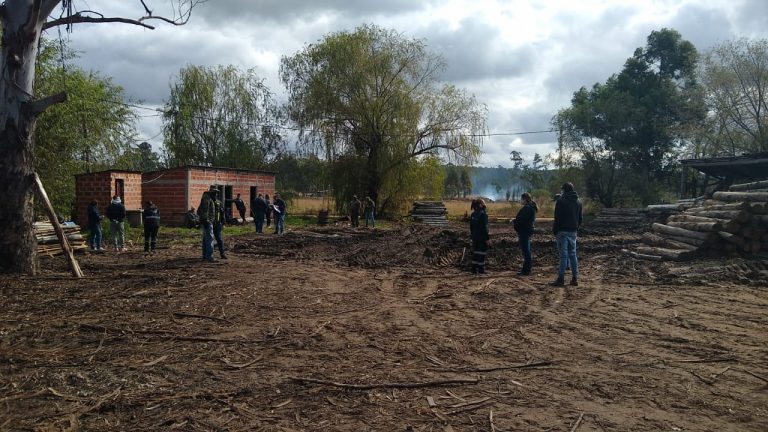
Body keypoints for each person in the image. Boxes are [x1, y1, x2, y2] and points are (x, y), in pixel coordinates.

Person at [551, 182, 582, 286]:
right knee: (573, 255)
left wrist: (555, 230)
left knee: (563, 256)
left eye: (562, 189)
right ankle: (574, 279)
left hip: (562, 232)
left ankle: (560, 279)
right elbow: (580, 218)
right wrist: (576, 228)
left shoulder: (561, 201)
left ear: (564, 190)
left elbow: (557, 218)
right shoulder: (578, 202)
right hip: (573, 232)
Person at [198, 186, 227, 262]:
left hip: (216, 223)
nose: (216, 194)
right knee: (209, 239)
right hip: (209, 222)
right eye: (214, 192)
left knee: (215, 239)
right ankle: (209, 257)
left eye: (216, 192)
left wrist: (223, 222)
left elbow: (222, 213)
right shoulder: (207, 199)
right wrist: (205, 220)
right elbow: (203, 211)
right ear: (211, 191)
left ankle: (219, 254)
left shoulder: (215, 201)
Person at [513, 192, 538, 276]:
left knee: (526, 250)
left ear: (525, 199)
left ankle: (526, 270)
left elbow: (522, 219)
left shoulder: (527, 208)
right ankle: (526, 268)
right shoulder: (530, 207)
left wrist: (514, 221)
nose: (520, 201)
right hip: (526, 230)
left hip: (524, 231)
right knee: (526, 250)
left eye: (521, 199)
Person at [469, 198, 489, 275]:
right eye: (484, 203)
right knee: (481, 253)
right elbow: (485, 228)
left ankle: (474, 269)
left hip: (475, 237)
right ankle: (481, 270)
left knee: (476, 252)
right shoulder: (483, 215)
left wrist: (472, 236)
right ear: (480, 204)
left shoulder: (473, 214)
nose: (485, 204)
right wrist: (487, 239)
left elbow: (471, 227)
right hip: (482, 238)